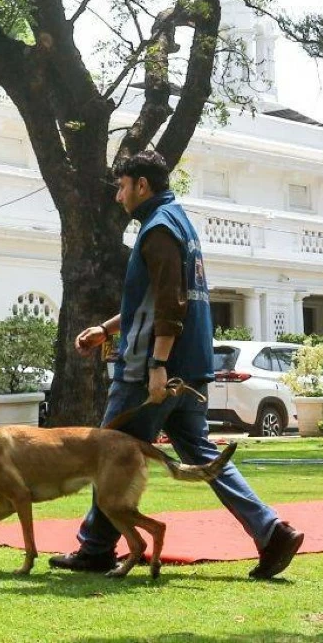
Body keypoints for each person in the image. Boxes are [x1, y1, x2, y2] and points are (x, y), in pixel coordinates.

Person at [49, 150, 304, 580]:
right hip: (191, 368)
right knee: (202, 454)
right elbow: (156, 298)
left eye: (122, 186)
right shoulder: (178, 223)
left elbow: (171, 303)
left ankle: (95, 549)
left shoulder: (159, 229)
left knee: (108, 451)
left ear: (141, 186)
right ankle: (271, 531)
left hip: (155, 370)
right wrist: (107, 329)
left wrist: (157, 365)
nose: (118, 196)